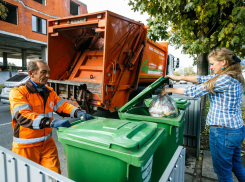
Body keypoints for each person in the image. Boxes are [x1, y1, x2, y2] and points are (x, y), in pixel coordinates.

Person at [161, 47, 245, 182]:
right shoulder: (234, 76)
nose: (210, 67)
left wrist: (168, 89)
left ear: (223, 62)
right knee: (236, 165)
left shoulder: (223, 80)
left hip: (223, 132)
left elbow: (196, 91)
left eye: (212, 64)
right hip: (237, 130)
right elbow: (201, 78)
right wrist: (179, 77)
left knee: (223, 173)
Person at [9, 59, 93, 174]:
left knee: (54, 175)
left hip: (47, 144)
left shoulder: (49, 91)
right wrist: (51, 122)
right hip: (26, 147)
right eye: (43, 72)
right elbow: (24, 115)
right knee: (27, 177)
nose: (48, 75)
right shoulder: (18, 92)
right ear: (31, 73)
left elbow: (62, 106)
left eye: (48, 72)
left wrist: (78, 112)